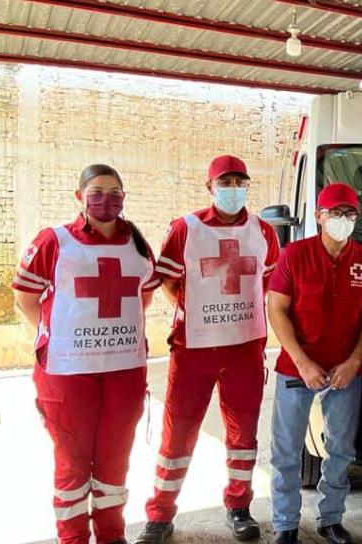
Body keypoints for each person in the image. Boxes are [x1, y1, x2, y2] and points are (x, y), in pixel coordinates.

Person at [135, 155, 280, 543]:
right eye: (225, 182)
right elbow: (167, 281)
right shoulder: (186, 228)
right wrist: (196, 316)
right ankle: (160, 515)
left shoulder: (264, 232)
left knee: (243, 435)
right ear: (210, 187)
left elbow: (266, 286)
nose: (233, 188)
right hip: (193, 349)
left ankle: (238, 506)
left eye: (240, 181)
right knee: (177, 436)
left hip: (245, 349)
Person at [12, 164, 159, 544]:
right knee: (72, 465)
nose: (106, 199)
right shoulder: (54, 241)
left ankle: (112, 536)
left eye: (114, 192)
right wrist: (61, 337)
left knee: (113, 463)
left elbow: (142, 297)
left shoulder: (138, 245)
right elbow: (25, 299)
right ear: (79, 197)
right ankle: (73, 538)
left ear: (124, 198)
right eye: (96, 191)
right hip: (67, 374)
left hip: (124, 373)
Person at [267, 182, 362, 544]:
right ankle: (285, 524)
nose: (343, 220)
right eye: (336, 213)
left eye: (350, 214)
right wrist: (302, 362)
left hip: (346, 372)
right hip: (297, 370)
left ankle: (331, 518)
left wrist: (355, 361)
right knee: (286, 451)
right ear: (319, 216)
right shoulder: (295, 255)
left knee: (341, 451)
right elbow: (277, 309)